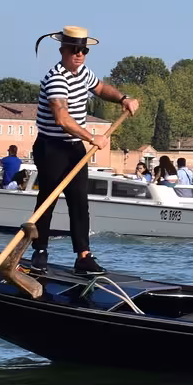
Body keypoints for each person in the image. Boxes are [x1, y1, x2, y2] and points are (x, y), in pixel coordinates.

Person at [29, 25, 138, 276]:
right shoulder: (56, 78)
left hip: (74, 146)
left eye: (83, 50)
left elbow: (100, 88)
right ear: (62, 50)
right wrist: (92, 137)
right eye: (74, 50)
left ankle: (83, 257)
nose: (79, 54)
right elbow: (62, 119)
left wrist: (123, 99)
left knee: (79, 202)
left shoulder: (83, 72)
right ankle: (40, 251)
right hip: (51, 147)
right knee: (49, 198)